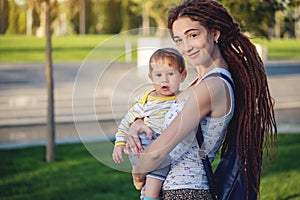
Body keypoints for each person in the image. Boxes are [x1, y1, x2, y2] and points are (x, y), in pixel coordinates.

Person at [125, 0, 277, 199]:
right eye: (178, 39)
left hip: (185, 193)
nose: (186, 47)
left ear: (215, 33)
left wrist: (137, 174)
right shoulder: (200, 82)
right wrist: (137, 123)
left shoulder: (212, 86)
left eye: (193, 35)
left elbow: (157, 152)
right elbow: (166, 120)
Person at [112, 48, 187, 200]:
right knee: (158, 170)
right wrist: (119, 144)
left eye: (170, 74)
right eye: (158, 75)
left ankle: (144, 189)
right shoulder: (145, 101)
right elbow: (126, 123)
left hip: (162, 145)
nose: (164, 80)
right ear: (151, 77)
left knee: (151, 181)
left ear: (183, 76)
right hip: (146, 144)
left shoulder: (184, 99)